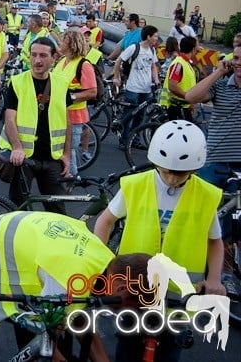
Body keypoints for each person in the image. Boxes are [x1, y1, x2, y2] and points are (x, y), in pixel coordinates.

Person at [94, 120, 225, 361]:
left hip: (179, 294)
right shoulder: (136, 185)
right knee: (128, 348)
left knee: (169, 350)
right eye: (166, 171)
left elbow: (215, 241)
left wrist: (215, 278)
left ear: (195, 168)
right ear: (155, 161)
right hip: (134, 290)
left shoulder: (205, 195)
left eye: (180, 173)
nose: (172, 179)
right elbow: (105, 221)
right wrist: (102, 265)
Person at [0, 210, 148, 362]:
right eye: (137, 306)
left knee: (41, 332)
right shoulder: (68, 279)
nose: (135, 312)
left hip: (22, 260)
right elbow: (49, 343)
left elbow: (80, 319)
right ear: (121, 288)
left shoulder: (106, 260)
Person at [0, 37, 71, 213]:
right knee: (18, 208)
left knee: (58, 212)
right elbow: (9, 119)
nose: (37, 60)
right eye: (34, 55)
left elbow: (67, 121)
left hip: (52, 157)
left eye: (43, 56)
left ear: (53, 58)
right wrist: (16, 147)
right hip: (25, 158)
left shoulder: (61, 84)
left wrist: (67, 154)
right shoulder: (17, 82)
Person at [187, 45, 241, 189]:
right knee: (202, 209)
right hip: (214, 161)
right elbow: (191, 97)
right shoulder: (220, 86)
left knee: (235, 211)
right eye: (236, 58)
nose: (238, 62)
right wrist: (218, 72)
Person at [53, 30, 97, 176]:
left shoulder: (83, 65)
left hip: (74, 117)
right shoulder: (62, 62)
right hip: (58, 114)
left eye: (63, 41)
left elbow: (92, 92)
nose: (60, 43)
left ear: (71, 44)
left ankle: (70, 182)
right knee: (60, 151)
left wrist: (69, 98)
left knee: (69, 152)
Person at [112, 25, 160, 150]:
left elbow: (153, 66)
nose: (156, 38)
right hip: (133, 87)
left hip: (146, 89)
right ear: (148, 36)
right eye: (155, 36)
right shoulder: (134, 48)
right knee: (129, 115)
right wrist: (116, 77)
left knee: (141, 117)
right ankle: (123, 140)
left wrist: (156, 80)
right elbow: (118, 61)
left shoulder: (152, 50)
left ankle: (135, 140)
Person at [160, 36, 198, 121]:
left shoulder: (186, 63)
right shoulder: (179, 64)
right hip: (177, 107)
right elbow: (172, 85)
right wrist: (188, 97)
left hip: (184, 105)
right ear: (193, 49)